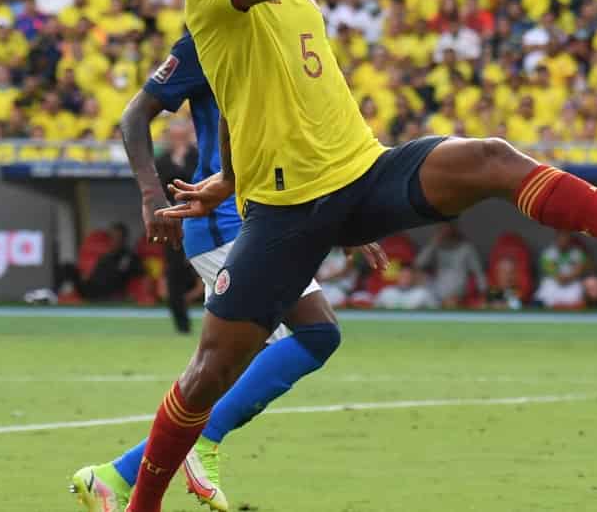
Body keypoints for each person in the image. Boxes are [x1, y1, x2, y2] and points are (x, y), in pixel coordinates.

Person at [125, 0, 597, 511]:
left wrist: (230, 177)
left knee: (488, 156)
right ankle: (140, 501)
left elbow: (250, 94)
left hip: (361, 172)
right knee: (209, 373)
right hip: (288, 210)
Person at [70, 34, 384, 512]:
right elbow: (134, 115)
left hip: (269, 215)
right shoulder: (213, 36)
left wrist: (341, 216)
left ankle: (115, 476)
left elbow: (298, 139)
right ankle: (201, 441)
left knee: (229, 365)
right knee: (314, 333)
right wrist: (152, 196)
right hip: (225, 220)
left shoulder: (284, 35)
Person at [154, 119, 200, 334]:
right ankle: (181, 323)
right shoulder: (162, 160)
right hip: (172, 218)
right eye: (175, 132)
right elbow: (156, 190)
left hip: (199, 216)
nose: (178, 136)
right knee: (174, 270)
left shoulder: (198, 156)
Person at [414, 222, 486, 307]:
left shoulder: (466, 248)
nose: (446, 231)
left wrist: (484, 291)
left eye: (448, 228)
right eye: (443, 229)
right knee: (418, 276)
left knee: (451, 301)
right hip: (437, 289)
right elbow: (418, 263)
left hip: (457, 291)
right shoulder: (436, 246)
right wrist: (433, 243)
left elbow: (478, 272)